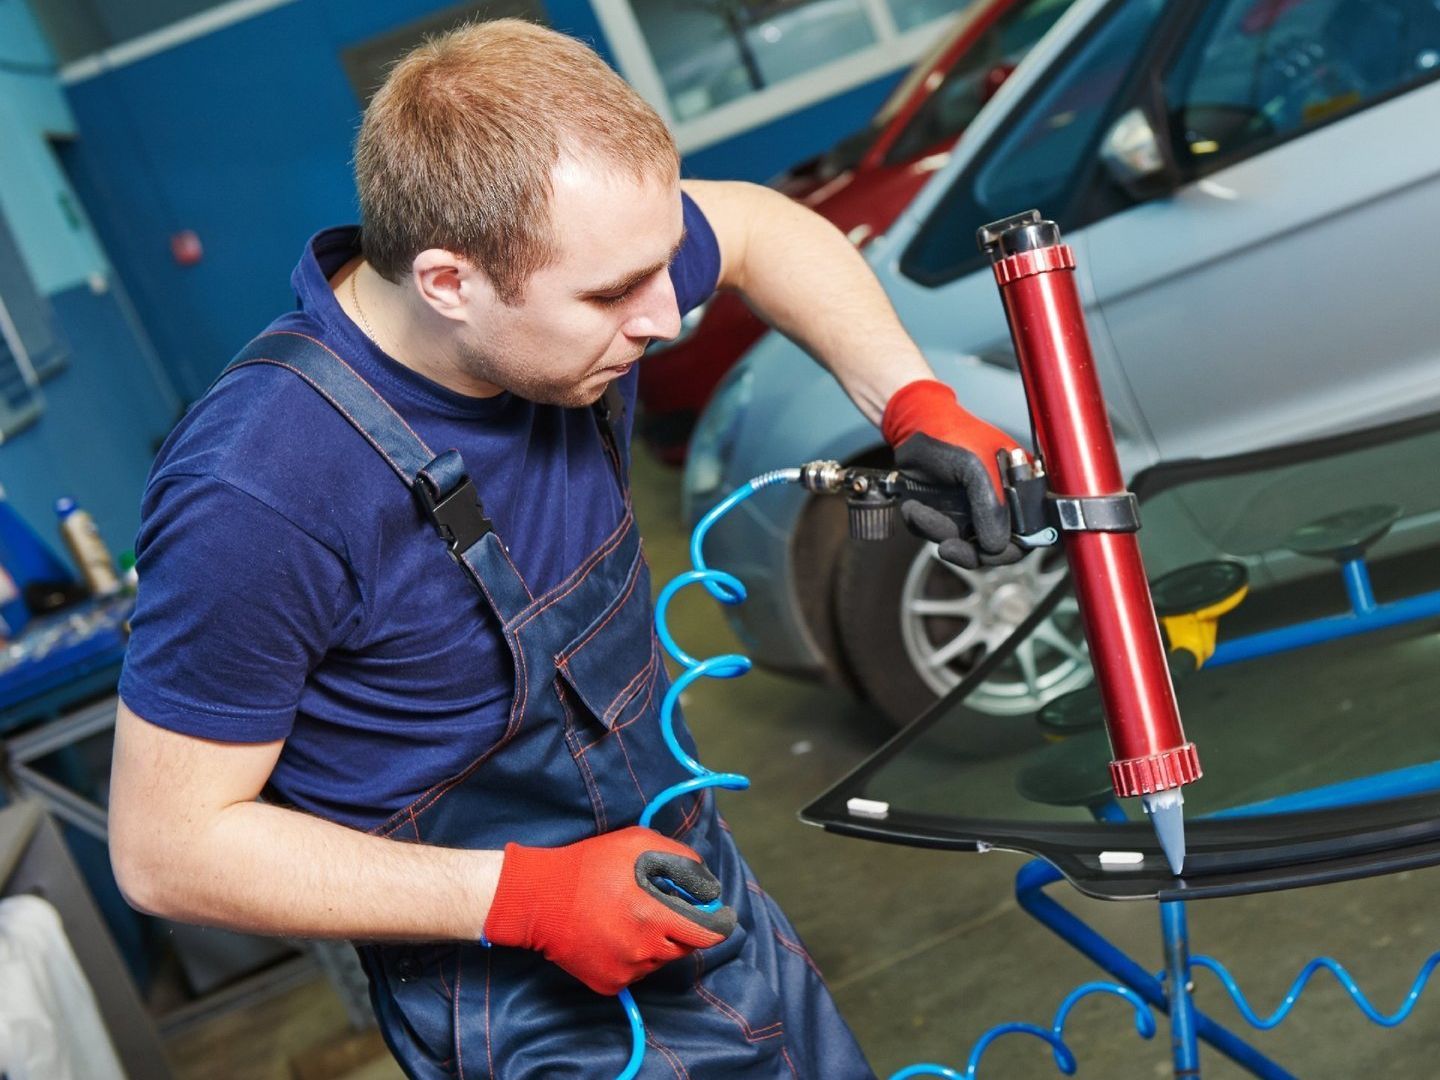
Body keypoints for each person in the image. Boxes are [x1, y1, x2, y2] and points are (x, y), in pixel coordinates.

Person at [106, 19, 1022, 1078]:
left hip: (690, 885)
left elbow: (765, 227)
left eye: (662, 266)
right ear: (450, 283)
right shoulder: (259, 490)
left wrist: (910, 400)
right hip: (516, 1001)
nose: (667, 316)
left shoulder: (586, 267)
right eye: (611, 296)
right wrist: (524, 899)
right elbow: (167, 850)